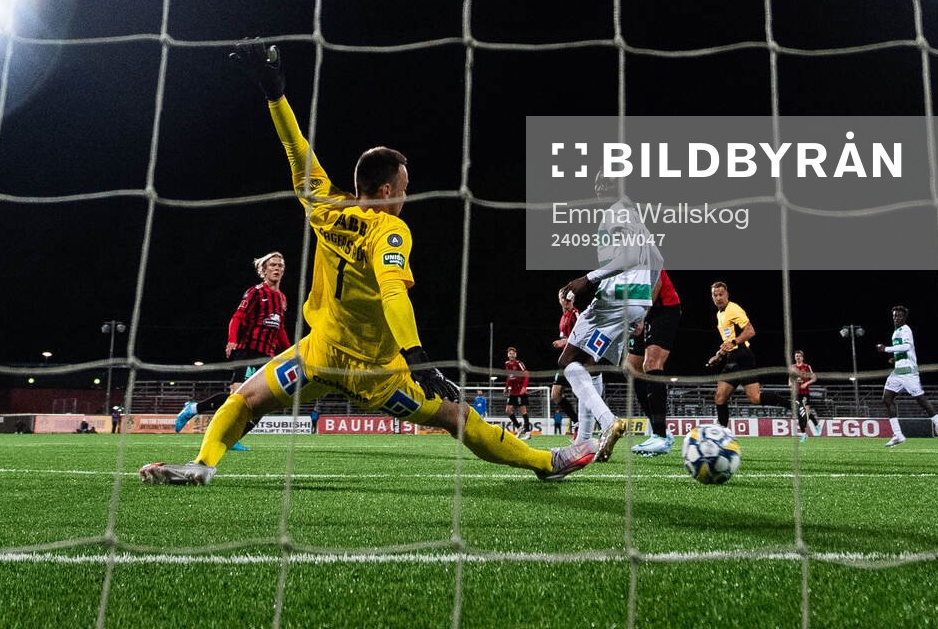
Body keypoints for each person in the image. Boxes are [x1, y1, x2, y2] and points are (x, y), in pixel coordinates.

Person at [139, 42, 597, 486]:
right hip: (377, 373)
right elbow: (394, 290)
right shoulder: (390, 231)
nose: (407, 192)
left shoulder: (325, 207)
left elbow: (296, 149)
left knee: (245, 400)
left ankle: (203, 464)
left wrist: (274, 94)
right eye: (404, 184)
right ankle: (545, 462)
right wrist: (417, 359)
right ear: (384, 191)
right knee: (458, 417)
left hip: (319, 355)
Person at [172, 251, 292, 453]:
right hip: (248, 351)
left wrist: (289, 353)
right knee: (237, 399)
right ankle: (193, 409)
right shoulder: (255, 292)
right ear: (263, 270)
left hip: (266, 356)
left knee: (262, 403)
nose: (277, 269)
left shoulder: (281, 298)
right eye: (272, 265)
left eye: (280, 265)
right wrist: (232, 340)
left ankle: (233, 437)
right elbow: (237, 317)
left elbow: (279, 329)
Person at [555, 260, 656, 462]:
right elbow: (657, 266)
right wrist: (643, 311)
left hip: (613, 301)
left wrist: (587, 278)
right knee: (589, 367)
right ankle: (583, 442)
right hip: (636, 304)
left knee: (567, 361)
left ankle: (608, 421)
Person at [625, 265, 682, 456]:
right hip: (645, 311)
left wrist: (641, 316)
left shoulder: (642, 249)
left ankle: (659, 436)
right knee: (630, 368)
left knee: (651, 364)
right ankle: (662, 430)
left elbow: (656, 281)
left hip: (665, 308)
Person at [878, 305, 938, 448]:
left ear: (904, 317)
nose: (896, 318)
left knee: (921, 400)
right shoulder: (896, 332)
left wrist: (886, 349)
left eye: (899, 316)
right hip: (899, 370)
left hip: (908, 371)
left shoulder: (906, 330)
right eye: (894, 316)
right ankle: (898, 435)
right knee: (886, 398)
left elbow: (907, 346)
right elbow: (904, 351)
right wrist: (895, 358)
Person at [708, 281, 761, 431]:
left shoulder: (733, 309)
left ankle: (792, 404)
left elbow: (750, 331)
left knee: (755, 398)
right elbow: (728, 340)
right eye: (715, 295)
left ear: (727, 295)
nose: (718, 297)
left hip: (743, 356)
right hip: (732, 358)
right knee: (720, 398)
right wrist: (718, 355)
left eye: (721, 294)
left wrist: (734, 342)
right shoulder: (720, 314)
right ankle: (723, 435)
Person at [549, 289, 578, 436]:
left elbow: (583, 336)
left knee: (581, 394)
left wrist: (564, 342)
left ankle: (600, 423)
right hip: (565, 361)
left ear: (573, 300)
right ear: (559, 299)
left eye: (569, 299)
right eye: (564, 299)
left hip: (576, 360)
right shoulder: (563, 317)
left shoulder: (575, 315)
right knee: (555, 394)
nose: (566, 302)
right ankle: (578, 422)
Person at [501, 347, 532, 437]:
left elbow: (526, 375)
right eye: (510, 353)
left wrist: (524, 387)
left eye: (513, 353)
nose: (511, 355)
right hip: (512, 392)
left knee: (523, 411)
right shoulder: (507, 364)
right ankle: (519, 427)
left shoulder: (519, 363)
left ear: (516, 355)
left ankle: (528, 432)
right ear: (508, 355)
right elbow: (509, 377)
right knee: (508, 411)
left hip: (520, 391)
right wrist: (506, 387)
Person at [791, 349, 819, 442]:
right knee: (800, 415)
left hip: (805, 393)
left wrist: (806, 384)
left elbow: (814, 378)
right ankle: (804, 434)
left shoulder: (806, 366)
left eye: (799, 356)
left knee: (805, 414)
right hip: (797, 394)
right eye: (796, 356)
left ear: (802, 357)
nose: (797, 357)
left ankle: (816, 425)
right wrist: (791, 384)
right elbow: (790, 379)